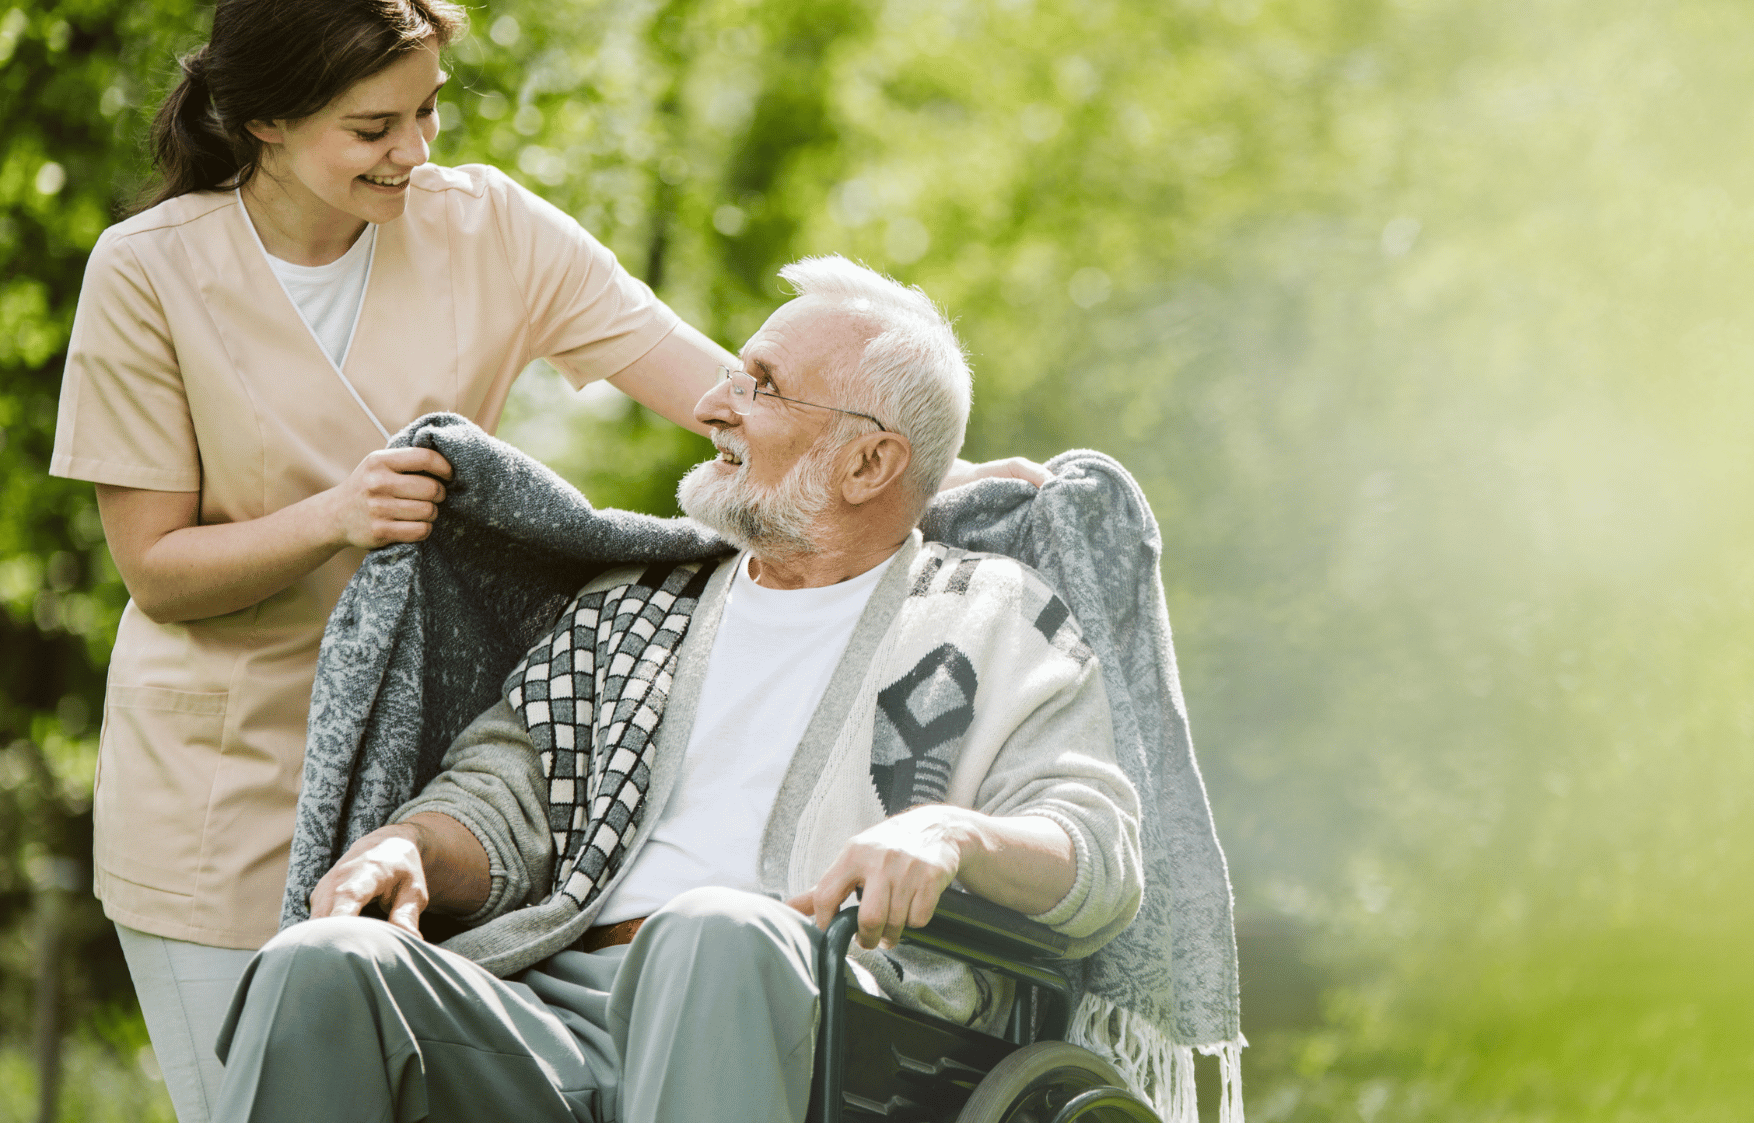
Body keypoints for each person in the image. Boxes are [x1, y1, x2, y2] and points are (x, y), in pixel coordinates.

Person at [47, 0, 1039, 1123]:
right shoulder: (146, 272)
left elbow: (727, 395)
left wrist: (939, 468)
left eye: (427, 113)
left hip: (428, 763)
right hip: (223, 785)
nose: (412, 152)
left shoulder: (489, 229)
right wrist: (334, 517)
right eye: (373, 128)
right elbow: (157, 570)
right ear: (265, 121)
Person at [210, 258, 1142, 1122]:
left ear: (870, 463)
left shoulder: (989, 618)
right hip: (553, 1013)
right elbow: (500, 801)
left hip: (835, 1023)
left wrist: (951, 833)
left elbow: (1097, 849)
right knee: (324, 963)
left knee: (712, 931)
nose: (712, 404)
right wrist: (408, 845)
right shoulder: (633, 609)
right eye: (732, 376)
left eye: (761, 386)